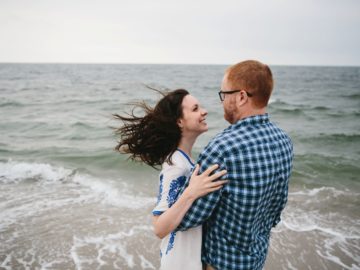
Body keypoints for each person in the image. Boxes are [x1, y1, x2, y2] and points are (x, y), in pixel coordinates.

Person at [176, 60, 294, 270]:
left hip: (220, 263)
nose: (222, 102)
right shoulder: (284, 141)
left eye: (224, 94)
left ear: (241, 97)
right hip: (256, 260)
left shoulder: (223, 148)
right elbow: (277, 208)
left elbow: (187, 219)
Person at [113, 89, 227, 270]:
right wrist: (190, 193)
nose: (204, 111)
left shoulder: (186, 161)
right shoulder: (175, 166)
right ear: (180, 122)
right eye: (195, 109)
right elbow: (159, 228)